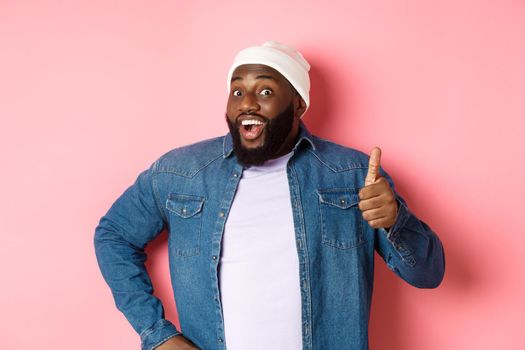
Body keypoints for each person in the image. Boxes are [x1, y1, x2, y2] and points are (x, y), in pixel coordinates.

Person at [94, 41, 445, 350]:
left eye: (265, 92)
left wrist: (396, 219)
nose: (247, 103)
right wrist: (158, 336)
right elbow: (113, 235)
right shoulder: (180, 173)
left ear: (298, 105)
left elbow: (428, 275)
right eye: (237, 92)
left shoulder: (352, 174)